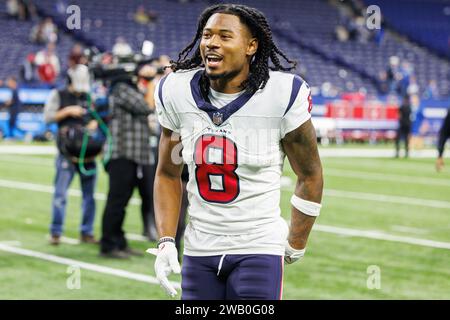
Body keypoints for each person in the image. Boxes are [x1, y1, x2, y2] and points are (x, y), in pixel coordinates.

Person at [148, 4, 324, 300]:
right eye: (207, 35)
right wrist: (166, 240)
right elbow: (167, 173)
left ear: (251, 46)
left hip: (257, 246)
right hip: (199, 247)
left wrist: (296, 242)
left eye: (225, 36)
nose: (211, 43)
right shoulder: (176, 91)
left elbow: (310, 175)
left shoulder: (281, 93)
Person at [99, 65, 158, 259]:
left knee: (122, 201)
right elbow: (147, 107)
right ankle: (108, 245)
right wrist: (149, 83)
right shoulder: (121, 90)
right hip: (122, 154)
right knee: (116, 201)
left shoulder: (124, 90)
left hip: (131, 154)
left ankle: (119, 241)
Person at [43, 64, 99, 245]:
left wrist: (94, 124)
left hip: (88, 153)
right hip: (66, 154)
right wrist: (68, 111)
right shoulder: (57, 95)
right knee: (60, 195)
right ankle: (56, 232)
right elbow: (48, 117)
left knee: (89, 197)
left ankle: (87, 232)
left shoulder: (89, 97)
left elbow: (98, 118)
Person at [436, 107, 450, 172]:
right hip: (445, 130)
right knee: (440, 146)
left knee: (440, 146)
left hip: (445, 130)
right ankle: (439, 160)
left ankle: (439, 160)